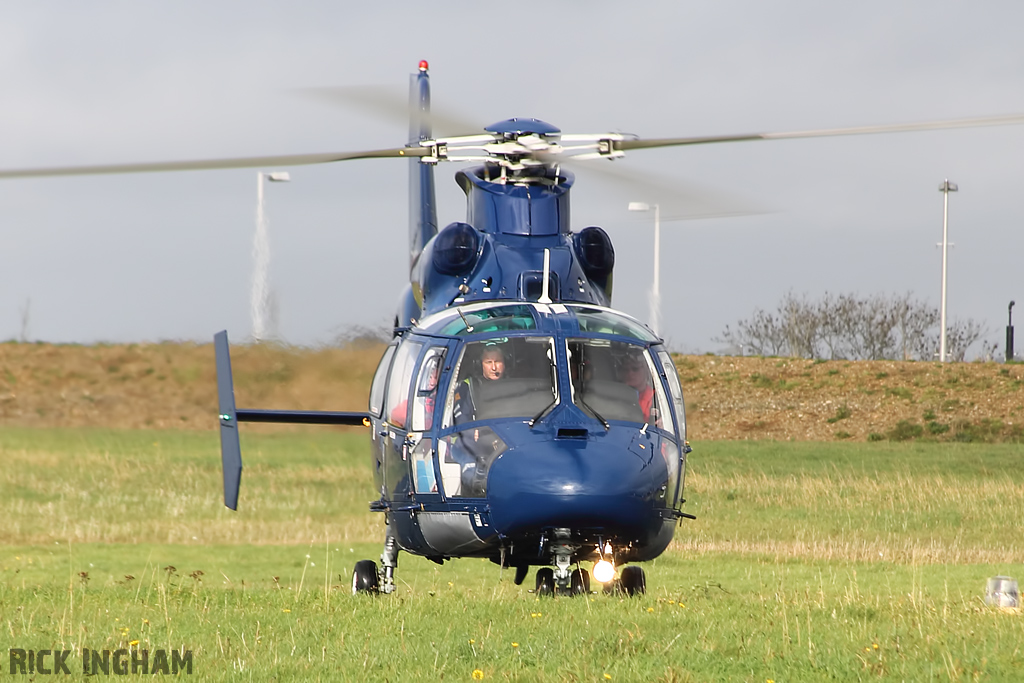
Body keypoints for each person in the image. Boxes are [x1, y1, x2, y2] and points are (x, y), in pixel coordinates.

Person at [453, 344, 505, 424]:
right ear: (480, 364)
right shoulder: (468, 387)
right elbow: (462, 419)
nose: (494, 368)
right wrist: (473, 430)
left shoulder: (514, 385)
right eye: (489, 362)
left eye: (497, 361)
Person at [619, 351, 654, 422]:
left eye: (635, 369)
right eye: (625, 370)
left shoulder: (656, 398)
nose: (630, 373)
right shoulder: (614, 395)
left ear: (646, 371)